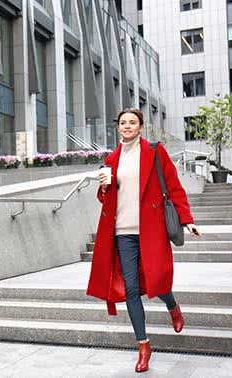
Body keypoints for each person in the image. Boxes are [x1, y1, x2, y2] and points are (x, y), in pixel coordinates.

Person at [86, 108, 201, 373]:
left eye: (132, 122)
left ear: (140, 127)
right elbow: (106, 198)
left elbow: (174, 188)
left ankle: (172, 305)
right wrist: (103, 188)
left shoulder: (154, 151)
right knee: (131, 289)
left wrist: (187, 219)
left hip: (151, 230)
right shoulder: (111, 159)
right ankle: (143, 345)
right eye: (123, 123)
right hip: (122, 232)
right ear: (118, 127)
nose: (127, 126)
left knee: (158, 280)